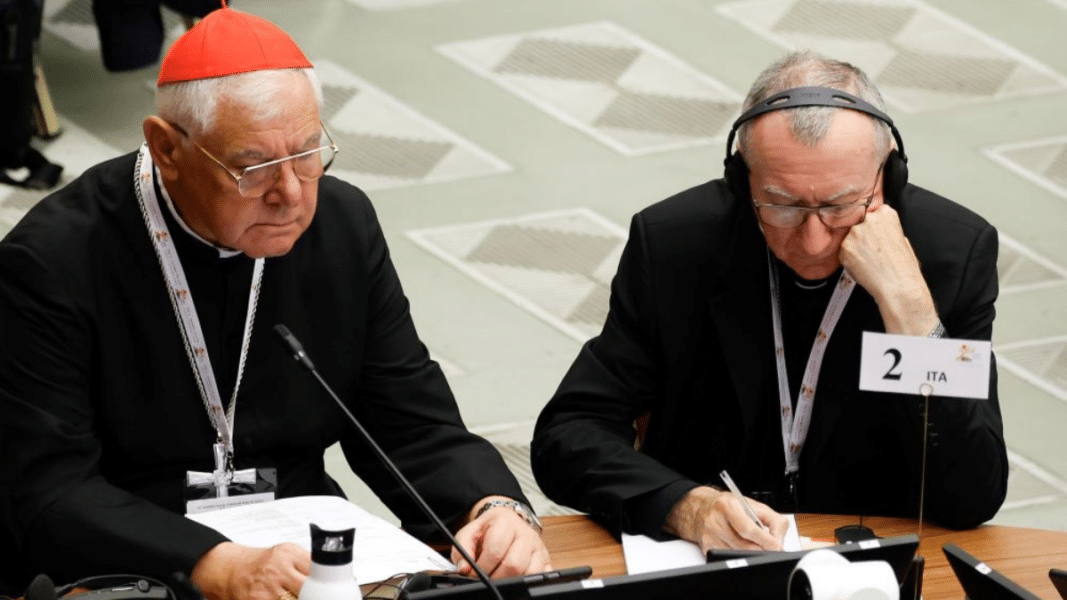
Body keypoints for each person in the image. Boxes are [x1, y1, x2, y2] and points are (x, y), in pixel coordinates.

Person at [0, 5, 550, 598]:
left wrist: (490, 505)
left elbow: (409, 420)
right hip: (128, 564)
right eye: (253, 166)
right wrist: (212, 561)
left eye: (308, 153)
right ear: (167, 149)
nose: (289, 194)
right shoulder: (54, 259)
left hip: (300, 563)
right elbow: (49, 488)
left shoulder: (342, 225)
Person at [531, 51, 1008, 553]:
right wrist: (686, 506)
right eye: (782, 205)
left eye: (841, 204)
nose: (815, 239)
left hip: (870, 562)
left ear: (889, 174)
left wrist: (911, 313)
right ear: (742, 181)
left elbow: (971, 495)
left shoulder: (951, 254)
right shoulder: (675, 244)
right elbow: (569, 434)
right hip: (712, 561)